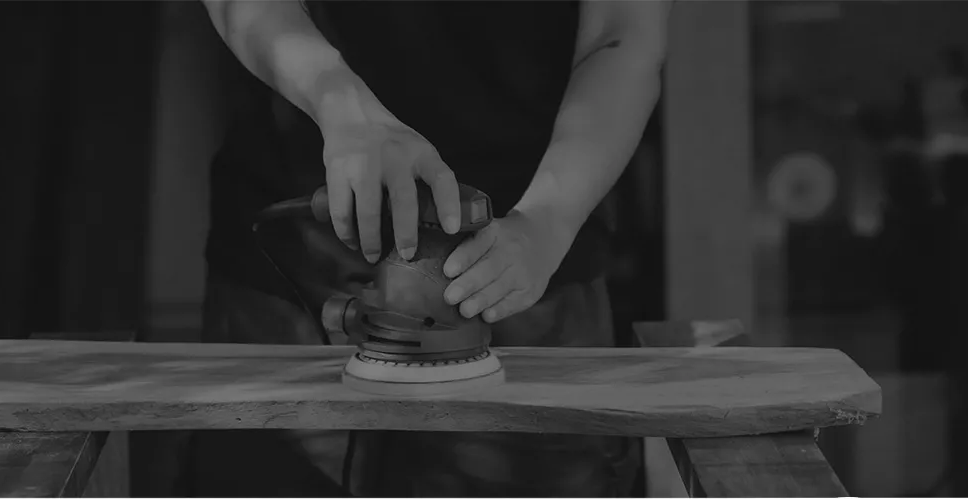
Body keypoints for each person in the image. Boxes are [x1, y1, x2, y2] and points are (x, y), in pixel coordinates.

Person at [187, 0, 671, 496]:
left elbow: (621, 35)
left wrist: (547, 221)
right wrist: (339, 102)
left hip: (523, 269)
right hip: (294, 266)